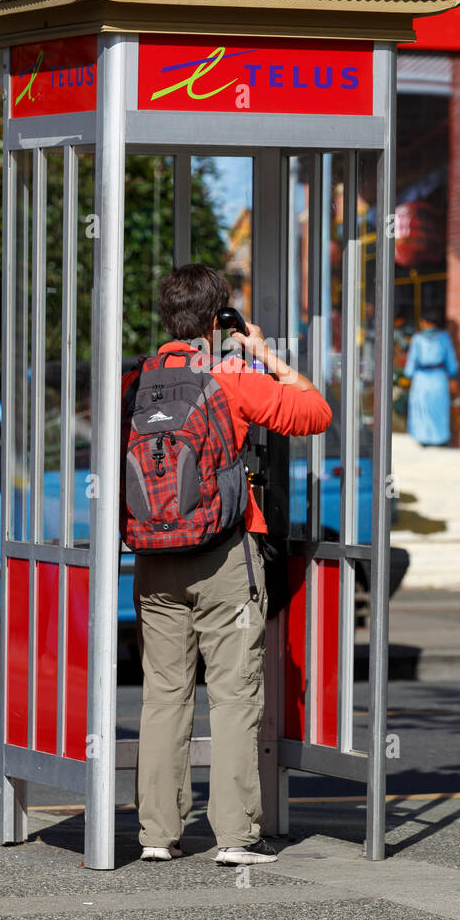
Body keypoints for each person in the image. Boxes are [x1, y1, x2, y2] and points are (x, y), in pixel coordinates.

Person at [122, 263, 331, 866]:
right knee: (235, 696)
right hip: (222, 559)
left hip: (154, 559)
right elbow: (314, 413)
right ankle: (235, 838)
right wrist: (267, 356)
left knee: (163, 695)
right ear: (219, 322)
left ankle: (158, 835)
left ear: (168, 318)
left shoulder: (137, 381)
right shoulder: (230, 373)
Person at [402, 309, 459, 446]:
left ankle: (423, 437)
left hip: (421, 377)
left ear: (426, 322)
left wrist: (408, 374)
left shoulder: (418, 338)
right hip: (438, 377)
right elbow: (451, 359)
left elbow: (412, 360)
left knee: (422, 407)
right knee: (438, 407)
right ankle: (439, 438)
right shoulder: (444, 337)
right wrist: (453, 373)